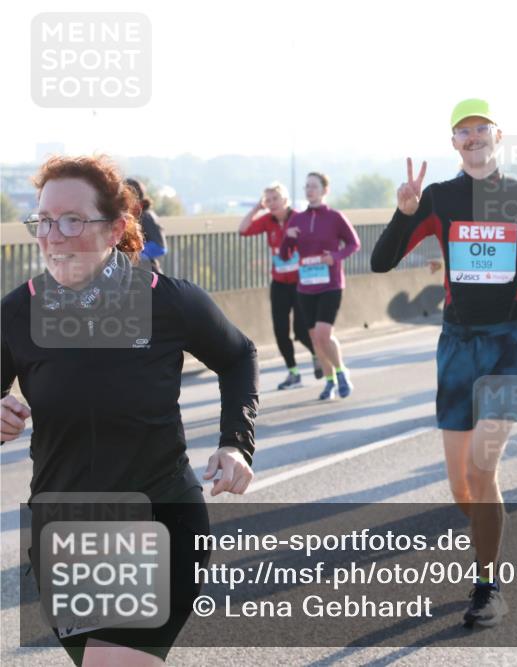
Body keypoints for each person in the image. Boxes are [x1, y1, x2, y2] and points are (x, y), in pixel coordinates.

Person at [2, 155, 258, 666]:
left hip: (159, 521)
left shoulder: (168, 302)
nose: (52, 235)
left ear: (117, 227)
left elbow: (237, 355)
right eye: (44, 220)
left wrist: (235, 442)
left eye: (72, 220)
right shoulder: (18, 312)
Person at [370, 99, 517, 627]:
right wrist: (404, 214)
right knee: (461, 486)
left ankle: (487, 585)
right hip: (457, 344)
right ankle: (489, 535)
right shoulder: (440, 198)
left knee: (481, 467)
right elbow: (381, 261)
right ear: (454, 142)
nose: (472, 138)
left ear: (497, 135)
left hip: (510, 341)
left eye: (480, 129)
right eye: (462, 131)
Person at [280, 172, 360, 400]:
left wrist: (335, 256)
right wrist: (288, 237)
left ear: (325, 190)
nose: (309, 190)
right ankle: (329, 381)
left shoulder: (335, 217)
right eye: (306, 187)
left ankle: (342, 372)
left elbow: (354, 244)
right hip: (305, 286)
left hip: (331, 284)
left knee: (325, 334)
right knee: (316, 339)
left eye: (314, 186)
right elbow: (285, 255)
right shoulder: (296, 219)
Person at [239, 182, 321, 389]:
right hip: (279, 284)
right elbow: (243, 229)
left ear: (286, 200)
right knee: (280, 330)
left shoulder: (299, 218)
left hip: (301, 282)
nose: (272, 203)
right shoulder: (267, 220)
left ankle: (317, 354)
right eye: (268, 200)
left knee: (301, 330)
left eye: (275, 198)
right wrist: (257, 208)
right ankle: (293, 373)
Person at [124, 178, 167, 273]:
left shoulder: (146, 216)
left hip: (149, 275)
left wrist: (135, 252)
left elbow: (160, 247)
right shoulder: (131, 217)